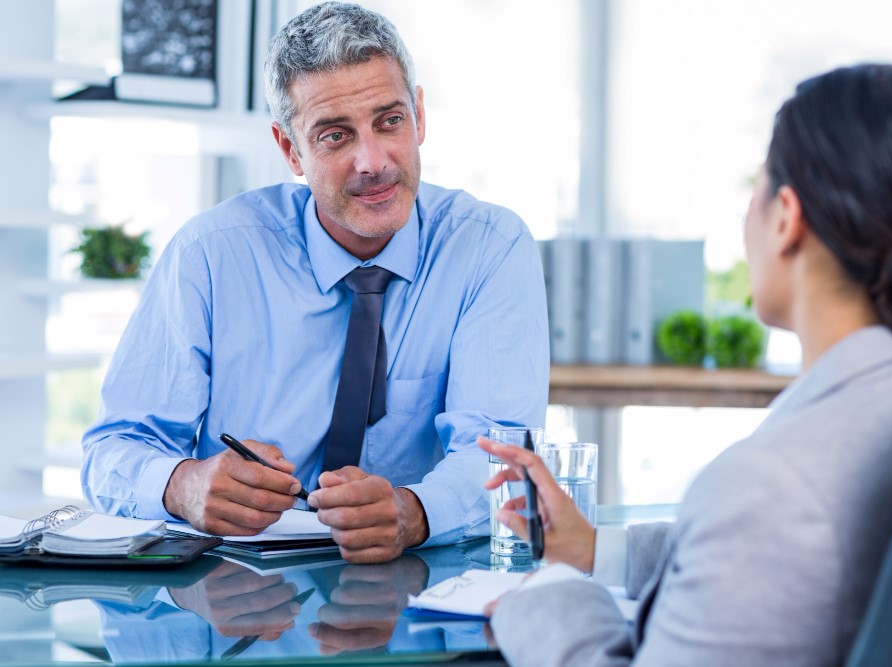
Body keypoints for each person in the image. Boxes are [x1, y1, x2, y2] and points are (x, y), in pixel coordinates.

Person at [482, 63, 892, 666]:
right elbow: (770, 558)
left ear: (786, 217)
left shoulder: (769, 485)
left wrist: (545, 598)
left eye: (756, 190)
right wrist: (595, 549)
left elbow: (768, 528)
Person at [80, 1, 548, 564]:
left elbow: (503, 454)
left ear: (419, 117)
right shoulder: (211, 253)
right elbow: (113, 449)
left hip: (421, 581)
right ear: (290, 149)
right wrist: (182, 484)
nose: (372, 161)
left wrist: (414, 511)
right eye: (335, 135)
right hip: (239, 592)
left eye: (390, 121)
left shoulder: (488, 247)